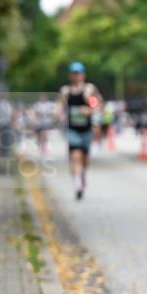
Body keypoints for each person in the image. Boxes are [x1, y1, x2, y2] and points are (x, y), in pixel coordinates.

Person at [58, 62, 102, 200]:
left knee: (85, 159)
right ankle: (77, 184)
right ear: (70, 75)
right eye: (74, 73)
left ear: (83, 74)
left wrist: (88, 110)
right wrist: (58, 113)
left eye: (78, 73)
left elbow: (96, 105)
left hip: (86, 130)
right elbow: (59, 105)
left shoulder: (89, 90)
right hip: (72, 130)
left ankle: (81, 175)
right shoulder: (65, 91)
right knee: (75, 156)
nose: (76, 76)